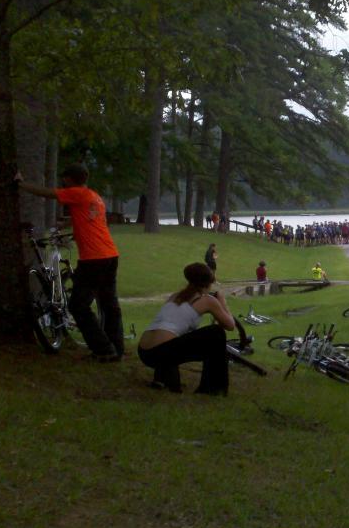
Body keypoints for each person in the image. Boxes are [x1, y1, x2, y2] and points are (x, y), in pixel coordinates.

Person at [16, 164, 125, 362]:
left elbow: (48, 193)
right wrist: (66, 225)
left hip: (94, 259)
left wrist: (22, 185)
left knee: (78, 306)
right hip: (110, 255)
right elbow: (87, 218)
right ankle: (116, 347)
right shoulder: (94, 196)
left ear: (68, 179)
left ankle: (103, 348)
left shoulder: (76, 193)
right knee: (110, 304)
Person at [137, 263, 235, 395]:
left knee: (173, 335)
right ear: (208, 283)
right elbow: (230, 325)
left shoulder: (175, 296)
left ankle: (162, 378)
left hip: (144, 351)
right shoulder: (208, 300)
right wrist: (222, 302)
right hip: (160, 353)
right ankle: (212, 388)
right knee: (216, 333)